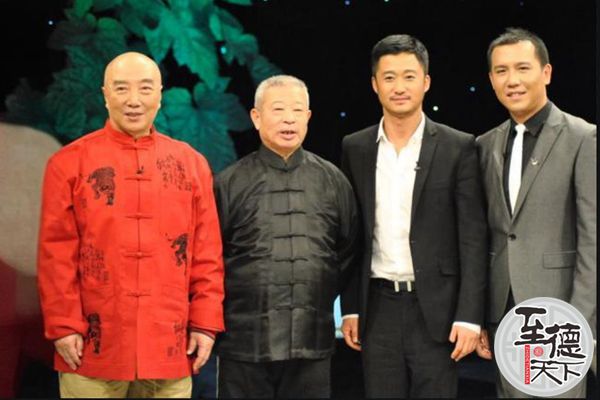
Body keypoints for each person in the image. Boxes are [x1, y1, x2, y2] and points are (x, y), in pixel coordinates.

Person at [37, 52, 225, 398]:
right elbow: (56, 254)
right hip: (93, 345)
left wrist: (205, 324)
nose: (134, 100)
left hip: (169, 342)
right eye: (121, 88)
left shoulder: (190, 164)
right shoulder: (69, 163)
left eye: (145, 88)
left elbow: (206, 254)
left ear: (160, 95)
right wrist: (63, 326)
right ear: (105, 95)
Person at [340, 34, 488, 398]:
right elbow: (351, 236)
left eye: (409, 76)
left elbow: (473, 238)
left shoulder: (458, 146)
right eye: (389, 77)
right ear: (374, 84)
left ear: (426, 82)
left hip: (437, 311)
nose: (399, 87)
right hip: (377, 309)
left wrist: (470, 316)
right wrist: (350, 309)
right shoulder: (355, 147)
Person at [214, 75, 358, 398]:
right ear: (256, 117)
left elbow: (348, 250)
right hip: (244, 343)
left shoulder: (332, 180)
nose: (289, 119)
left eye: (297, 110)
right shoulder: (229, 183)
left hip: (311, 339)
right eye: (278, 109)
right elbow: (210, 259)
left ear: (308, 117)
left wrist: (318, 291)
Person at [476, 27, 596, 398]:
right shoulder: (485, 144)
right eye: (501, 71)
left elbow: (593, 239)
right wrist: (481, 315)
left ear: (546, 73)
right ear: (491, 80)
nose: (512, 80)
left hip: (560, 316)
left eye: (522, 68)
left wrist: (578, 322)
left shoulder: (583, 137)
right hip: (503, 315)